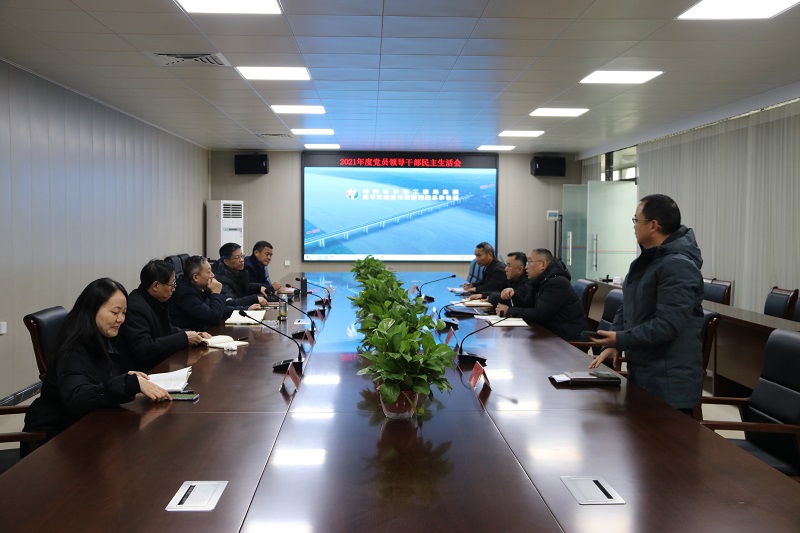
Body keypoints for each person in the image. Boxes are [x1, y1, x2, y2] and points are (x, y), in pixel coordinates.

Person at [21, 278, 171, 457]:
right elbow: (78, 398)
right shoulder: (73, 347)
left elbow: (95, 379)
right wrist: (126, 383)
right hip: (54, 441)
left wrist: (125, 378)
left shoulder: (100, 336)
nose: (121, 319)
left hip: (85, 424)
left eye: (124, 312)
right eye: (115, 312)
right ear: (92, 310)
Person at [589, 194, 705, 413]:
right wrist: (614, 343)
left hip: (668, 383)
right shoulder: (650, 260)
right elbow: (627, 305)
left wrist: (621, 338)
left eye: (636, 220)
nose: (634, 226)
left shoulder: (678, 265)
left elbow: (667, 325)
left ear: (653, 225)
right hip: (646, 372)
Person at [117, 259, 210, 372]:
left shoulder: (153, 300)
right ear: (156, 286)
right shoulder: (136, 307)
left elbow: (166, 329)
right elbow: (145, 348)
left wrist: (192, 334)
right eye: (172, 284)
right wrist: (184, 338)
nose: (174, 289)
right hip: (143, 372)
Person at [495, 248, 585, 341]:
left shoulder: (556, 282)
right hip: (548, 333)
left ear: (543, 265)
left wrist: (509, 311)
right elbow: (528, 305)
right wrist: (513, 295)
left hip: (564, 338)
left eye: (529, 262)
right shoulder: (540, 281)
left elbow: (539, 314)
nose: (526, 267)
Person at [169, 255, 232, 331]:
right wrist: (216, 293)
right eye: (209, 272)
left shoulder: (198, 287)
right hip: (192, 335)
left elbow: (217, 308)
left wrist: (243, 309)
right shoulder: (185, 293)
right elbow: (214, 317)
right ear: (195, 277)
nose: (213, 275)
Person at [213, 242, 267, 309]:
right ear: (226, 261)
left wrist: (259, 287)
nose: (242, 260)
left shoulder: (238, 270)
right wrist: (254, 299)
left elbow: (242, 287)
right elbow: (229, 302)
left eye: (242, 256)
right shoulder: (220, 278)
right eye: (237, 257)